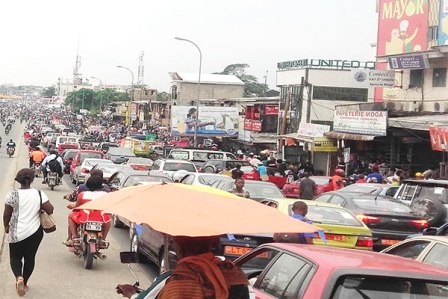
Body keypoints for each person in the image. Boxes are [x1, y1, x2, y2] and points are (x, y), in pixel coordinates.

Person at [117, 236, 249, 299]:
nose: (173, 244)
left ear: (182, 246)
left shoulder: (180, 282)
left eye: (175, 241)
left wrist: (132, 294)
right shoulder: (234, 274)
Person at [3, 168, 54, 296]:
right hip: (35, 233)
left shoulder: (12, 194)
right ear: (31, 180)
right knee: (30, 258)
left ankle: (18, 277)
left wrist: (6, 226)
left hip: (16, 232)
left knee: (15, 257)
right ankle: (24, 283)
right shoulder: (39, 194)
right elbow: (50, 209)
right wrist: (40, 207)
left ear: (18, 180)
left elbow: (6, 214)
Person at [66, 176, 111, 246]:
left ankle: (74, 237)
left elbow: (77, 207)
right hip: (101, 219)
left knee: (70, 216)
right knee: (108, 220)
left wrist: (72, 206)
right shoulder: (105, 195)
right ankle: (103, 239)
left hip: (85, 218)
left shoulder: (83, 194)